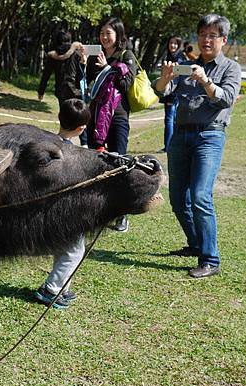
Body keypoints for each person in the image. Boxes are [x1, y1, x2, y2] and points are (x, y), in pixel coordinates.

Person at [152, 14, 241, 278]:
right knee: (178, 199)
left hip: (210, 136)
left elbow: (225, 99)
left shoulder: (230, 68)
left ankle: (210, 259)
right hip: (179, 137)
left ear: (223, 40)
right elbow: (162, 93)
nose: (206, 39)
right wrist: (165, 78)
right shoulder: (185, 66)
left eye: (212, 35)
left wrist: (205, 81)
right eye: (203, 34)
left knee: (201, 196)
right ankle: (195, 244)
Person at [34, 98, 91, 309]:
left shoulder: (51, 144)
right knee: (74, 252)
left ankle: (62, 288)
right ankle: (51, 290)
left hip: (56, 212)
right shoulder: (66, 154)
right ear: (81, 128)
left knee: (65, 250)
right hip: (67, 213)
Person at [85, 16, 137, 232]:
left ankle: (121, 214)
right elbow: (88, 82)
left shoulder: (126, 55)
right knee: (94, 162)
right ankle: (98, 211)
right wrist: (82, 63)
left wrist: (108, 68)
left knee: (119, 163)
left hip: (117, 117)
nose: (104, 37)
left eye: (109, 33)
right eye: (102, 33)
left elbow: (127, 83)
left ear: (118, 35)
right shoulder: (95, 55)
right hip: (95, 116)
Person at [38, 31, 82, 103]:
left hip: (61, 89)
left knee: (64, 112)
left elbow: (46, 75)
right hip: (75, 89)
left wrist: (41, 91)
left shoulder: (53, 55)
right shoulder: (77, 53)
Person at [159, 36, 186, 152]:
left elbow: (178, 75)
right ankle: (171, 145)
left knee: (170, 120)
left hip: (173, 93)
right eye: (171, 43)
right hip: (168, 92)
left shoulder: (179, 58)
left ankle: (168, 146)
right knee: (172, 119)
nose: (172, 46)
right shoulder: (169, 56)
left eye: (175, 43)